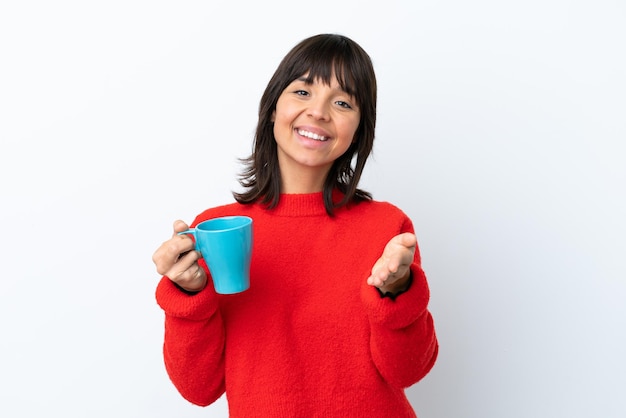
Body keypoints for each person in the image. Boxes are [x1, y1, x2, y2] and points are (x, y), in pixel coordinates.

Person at [152, 33, 438, 417]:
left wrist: (398, 292)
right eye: (303, 92)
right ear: (272, 108)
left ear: (358, 131)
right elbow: (199, 388)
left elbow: (409, 370)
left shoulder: (387, 227)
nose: (318, 112)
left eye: (342, 102)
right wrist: (187, 295)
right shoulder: (216, 230)